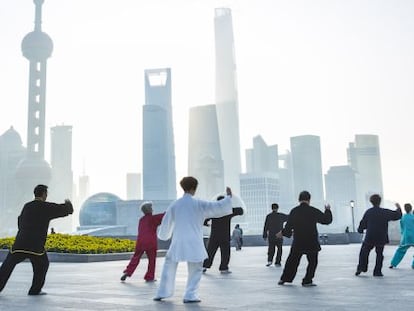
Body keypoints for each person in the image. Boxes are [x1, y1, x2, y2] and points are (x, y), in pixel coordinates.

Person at [153, 176, 233, 304]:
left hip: (178, 240)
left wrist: (164, 235)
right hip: (194, 240)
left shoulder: (175, 204)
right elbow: (217, 207)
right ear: (193, 188)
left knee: (169, 264)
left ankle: (162, 292)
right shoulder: (198, 203)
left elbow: (166, 223)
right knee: (196, 268)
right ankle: (190, 295)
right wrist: (228, 198)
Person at [0, 184, 73, 295]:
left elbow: (20, 220)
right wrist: (68, 204)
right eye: (46, 194)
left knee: (7, 266)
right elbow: (65, 210)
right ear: (44, 194)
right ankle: (35, 290)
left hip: (20, 244)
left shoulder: (27, 206)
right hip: (35, 246)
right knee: (43, 264)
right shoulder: (46, 207)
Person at [277, 191, 332, 287]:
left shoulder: (294, 211)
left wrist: (283, 233)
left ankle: (285, 278)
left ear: (299, 199)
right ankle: (307, 280)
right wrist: (327, 210)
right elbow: (326, 220)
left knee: (292, 261)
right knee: (312, 262)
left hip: (299, 240)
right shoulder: (313, 210)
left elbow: (289, 226)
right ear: (309, 199)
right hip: (311, 241)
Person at [355, 194, 402, 277]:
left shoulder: (369, 212)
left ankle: (362, 267)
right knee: (379, 254)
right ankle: (377, 271)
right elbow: (397, 215)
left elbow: (363, 223)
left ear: (371, 202)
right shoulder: (384, 212)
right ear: (380, 201)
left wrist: (360, 229)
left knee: (364, 252)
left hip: (370, 236)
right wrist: (398, 208)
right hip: (381, 236)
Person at [120, 201, 164, 282]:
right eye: (151, 208)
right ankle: (149, 276)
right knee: (151, 260)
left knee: (136, 257)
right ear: (150, 210)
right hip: (151, 242)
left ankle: (128, 271)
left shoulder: (141, 220)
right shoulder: (153, 218)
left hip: (140, 241)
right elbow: (165, 216)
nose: (153, 209)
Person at [202, 195, 243, 274]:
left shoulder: (213, 211)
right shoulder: (227, 211)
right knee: (225, 253)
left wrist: (207, 224)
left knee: (210, 252)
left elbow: (204, 219)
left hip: (214, 235)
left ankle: (204, 266)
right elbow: (241, 211)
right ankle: (223, 268)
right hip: (224, 236)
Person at [389, 203, 414, 269]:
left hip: (405, 237)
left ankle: (393, 263)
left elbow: (402, 228)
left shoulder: (403, 217)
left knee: (400, 250)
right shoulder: (413, 217)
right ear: (411, 209)